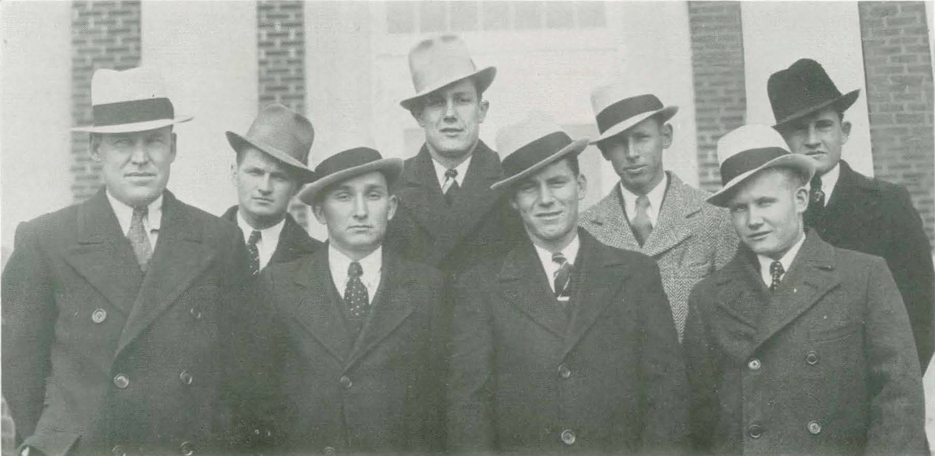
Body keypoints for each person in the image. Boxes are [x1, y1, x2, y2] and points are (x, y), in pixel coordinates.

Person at [1, 67, 251, 456]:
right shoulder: (46, 240)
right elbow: (20, 366)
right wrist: (58, 442)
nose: (140, 158)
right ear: (96, 150)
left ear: (174, 147)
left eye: (153, 141)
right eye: (122, 143)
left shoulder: (219, 240)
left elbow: (240, 368)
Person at [447, 113, 688, 455]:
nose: (546, 199)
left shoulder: (636, 274)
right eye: (529, 188)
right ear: (514, 201)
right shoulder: (481, 287)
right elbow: (468, 411)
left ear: (581, 186)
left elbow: (667, 397)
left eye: (557, 182)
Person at [685, 124, 928, 455]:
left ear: (800, 199)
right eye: (739, 208)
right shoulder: (708, 298)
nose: (752, 219)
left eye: (765, 202)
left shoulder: (864, 276)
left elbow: (899, 399)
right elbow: (703, 418)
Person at [246, 139, 447, 454]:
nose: (361, 211)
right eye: (344, 196)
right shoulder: (278, 286)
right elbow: (258, 405)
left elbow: (440, 407)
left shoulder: (429, 288)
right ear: (319, 212)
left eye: (373, 195)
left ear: (391, 207)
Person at [768, 58, 934, 372]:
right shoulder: (771, 213)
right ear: (784, 142)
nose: (813, 139)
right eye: (799, 129)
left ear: (844, 131)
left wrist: (893, 395)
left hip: (868, 391)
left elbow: (920, 314)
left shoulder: (888, 204)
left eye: (824, 125)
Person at [580, 84, 737, 339]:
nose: (632, 154)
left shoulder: (715, 215)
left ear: (665, 136)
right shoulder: (586, 228)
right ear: (605, 152)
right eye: (619, 143)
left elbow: (732, 314)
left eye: (642, 138)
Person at [386, 34, 521, 277]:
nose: (450, 114)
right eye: (437, 102)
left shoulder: (512, 179)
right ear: (418, 115)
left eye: (462, 100)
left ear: (481, 110)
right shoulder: (392, 187)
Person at [221, 103, 322, 275]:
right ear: (234, 173)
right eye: (255, 172)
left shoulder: (318, 259)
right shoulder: (200, 245)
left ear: (296, 187)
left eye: (279, 177)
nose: (265, 188)